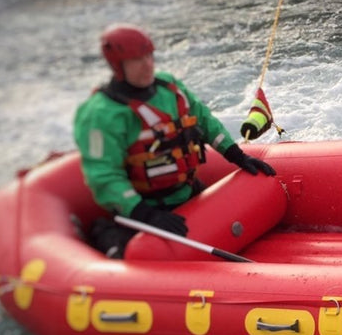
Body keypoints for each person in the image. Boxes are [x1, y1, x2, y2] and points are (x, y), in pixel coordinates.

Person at [74, 23, 276, 258]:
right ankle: (108, 235)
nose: (147, 65)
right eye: (137, 60)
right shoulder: (101, 113)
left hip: (187, 192)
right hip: (145, 208)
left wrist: (236, 155)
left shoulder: (169, 88)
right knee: (134, 253)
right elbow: (103, 175)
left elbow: (204, 120)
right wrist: (144, 214)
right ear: (118, 66)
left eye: (149, 56)